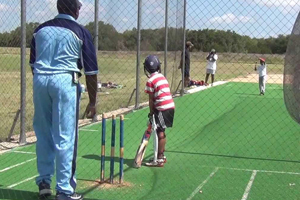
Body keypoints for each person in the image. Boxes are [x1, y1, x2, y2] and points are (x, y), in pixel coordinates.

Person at [29, 0, 98, 199]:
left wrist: (43, 81)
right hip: (65, 80)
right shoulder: (80, 31)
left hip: (40, 80)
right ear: (74, 9)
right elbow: (91, 71)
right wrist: (92, 102)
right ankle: (65, 190)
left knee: (43, 133)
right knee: (66, 136)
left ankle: (43, 181)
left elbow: (33, 63)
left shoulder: (40, 30)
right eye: (79, 7)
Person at [144, 55, 175, 167]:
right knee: (161, 130)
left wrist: (151, 112)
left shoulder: (150, 81)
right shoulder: (162, 77)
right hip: (170, 106)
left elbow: (151, 99)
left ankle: (159, 158)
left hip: (162, 108)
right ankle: (161, 155)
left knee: (159, 132)